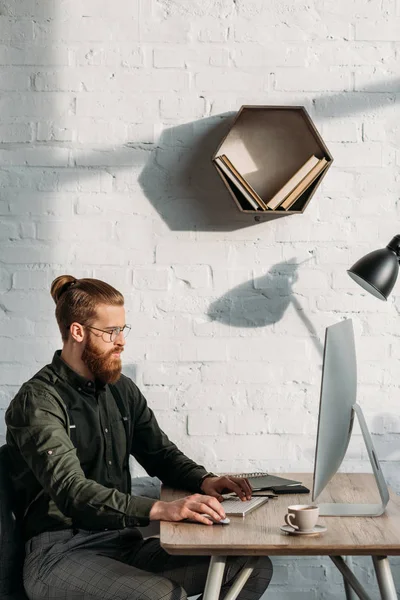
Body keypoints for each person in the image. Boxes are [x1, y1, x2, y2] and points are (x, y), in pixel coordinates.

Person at [5, 275, 273, 600]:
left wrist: (204, 480)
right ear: (78, 332)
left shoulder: (121, 390)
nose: (121, 341)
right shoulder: (39, 401)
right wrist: (162, 510)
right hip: (60, 554)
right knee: (159, 595)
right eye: (111, 332)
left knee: (249, 567)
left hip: (123, 545)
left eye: (122, 330)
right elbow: (72, 492)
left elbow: (159, 453)